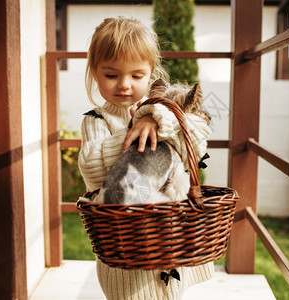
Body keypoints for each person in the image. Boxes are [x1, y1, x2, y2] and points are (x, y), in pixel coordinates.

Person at [78, 16, 214, 300]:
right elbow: (91, 165)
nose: (124, 85)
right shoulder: (96, 120)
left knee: (170, 292)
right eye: (112, 75)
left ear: (151, 72)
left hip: (170, 234)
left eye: (136, 76)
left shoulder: (163, 107)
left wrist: (155, 118)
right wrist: (135, 127)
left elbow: (198, 136)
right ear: (94, 72)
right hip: (128, 243)